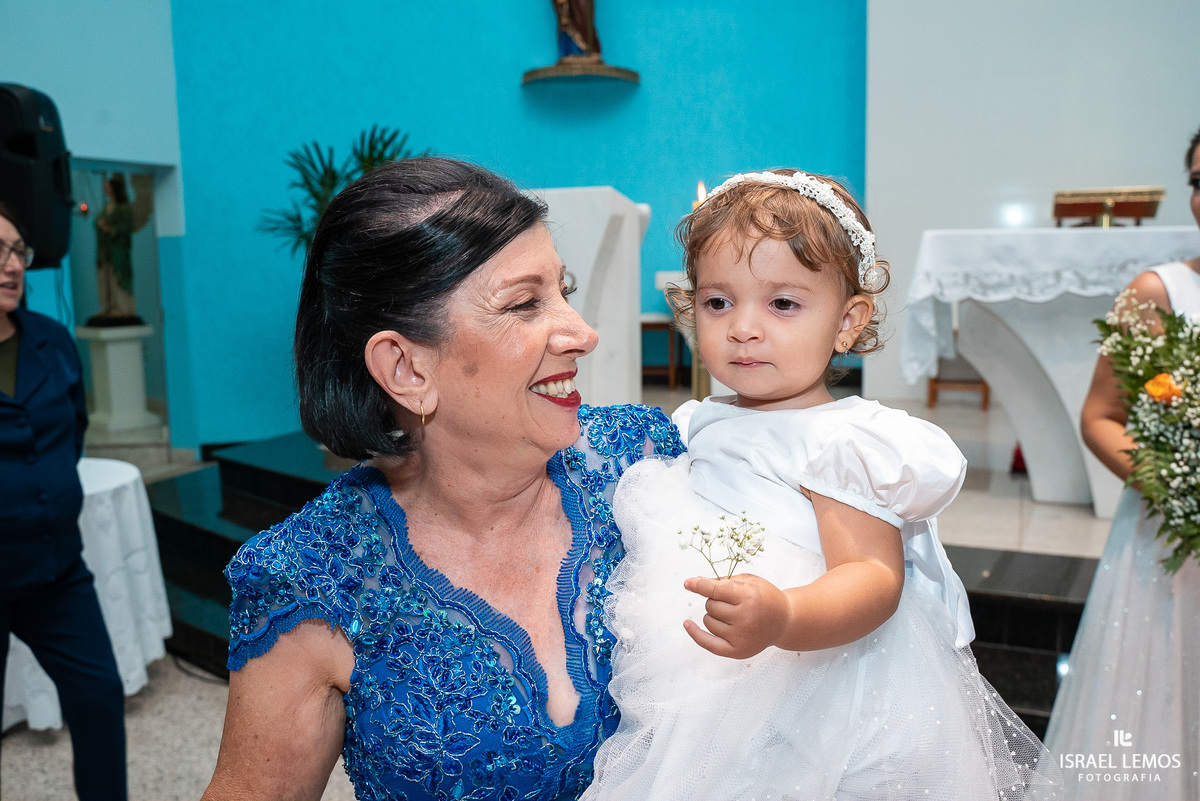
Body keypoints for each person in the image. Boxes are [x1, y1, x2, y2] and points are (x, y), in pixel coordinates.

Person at [202, 158, 684, 800]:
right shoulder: (312, 580)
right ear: (406, 368)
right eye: (524, 304)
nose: (581, 333)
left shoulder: (638, 464)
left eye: (562, 290)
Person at [584, 170, 1062, 800]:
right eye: (718, 302)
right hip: (702, 670)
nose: (743, 328)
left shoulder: (842, 444)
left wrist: (785, 615)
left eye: (782, 303)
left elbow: (872, 578)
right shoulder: (695, 421)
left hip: (821, 677)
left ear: (846, 322)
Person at [1044, 129, 1200, 800]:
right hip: (1174, 547)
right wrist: (1178, 486)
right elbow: (1099, 417)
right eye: (1197, 181)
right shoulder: (1158, 293)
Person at [0, 203, 128, 801]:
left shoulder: (51, 339)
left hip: (56, 571)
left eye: (17, 251)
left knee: (99, 695)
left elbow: (71, 431)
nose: (10, 266)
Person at [92, 173, 137, 323]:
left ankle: (123, 308)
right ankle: (108, 307)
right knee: (106, 279)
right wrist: (101, 225)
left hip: (118, 252)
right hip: (105, 252)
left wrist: (112, 230)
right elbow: (99, 223)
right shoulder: (106, 208)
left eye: (108, 186)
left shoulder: (123, 208)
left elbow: (126, 228)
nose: (105, 188)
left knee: (119, 279)